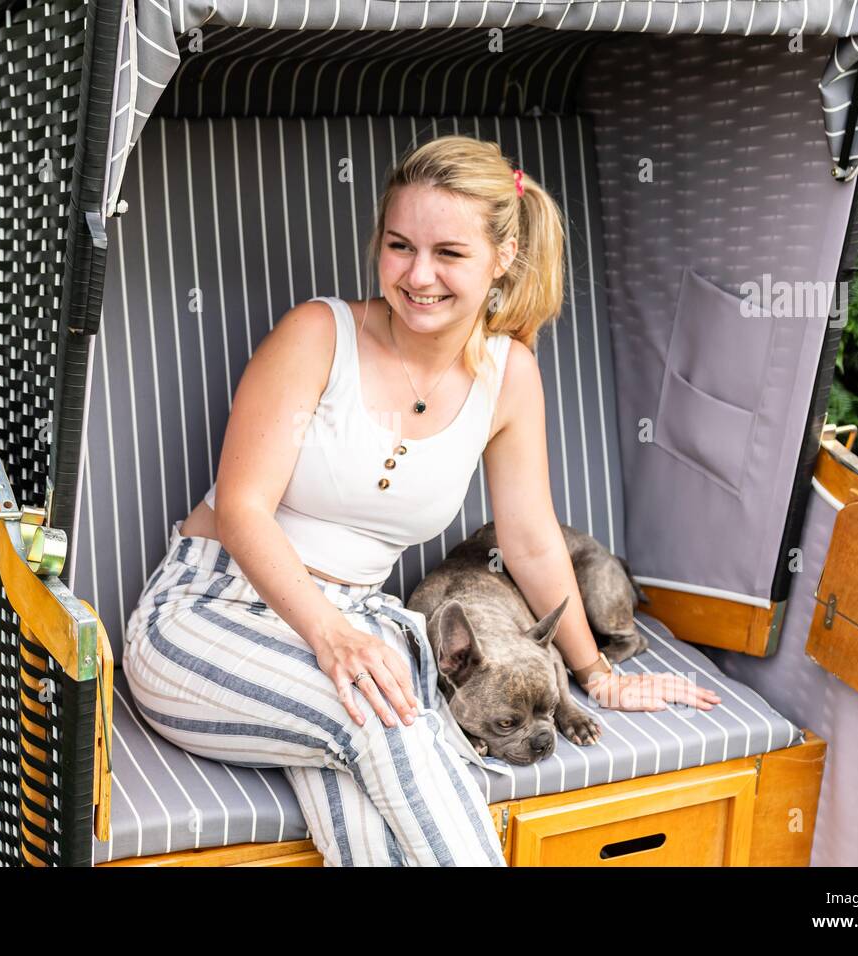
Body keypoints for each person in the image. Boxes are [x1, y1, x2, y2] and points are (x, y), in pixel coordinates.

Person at [122, 134, 719, 867]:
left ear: (502, 259)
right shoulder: (317, 335)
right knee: (389, 723)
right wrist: (329, 635)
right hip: (210, 610)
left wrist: (597, 675)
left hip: (357, 625)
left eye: (450, 254)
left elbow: (530, 541)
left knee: (373, 818)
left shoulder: (509, 375)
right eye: (400, 246)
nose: (418, 275)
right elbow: (243, 508)